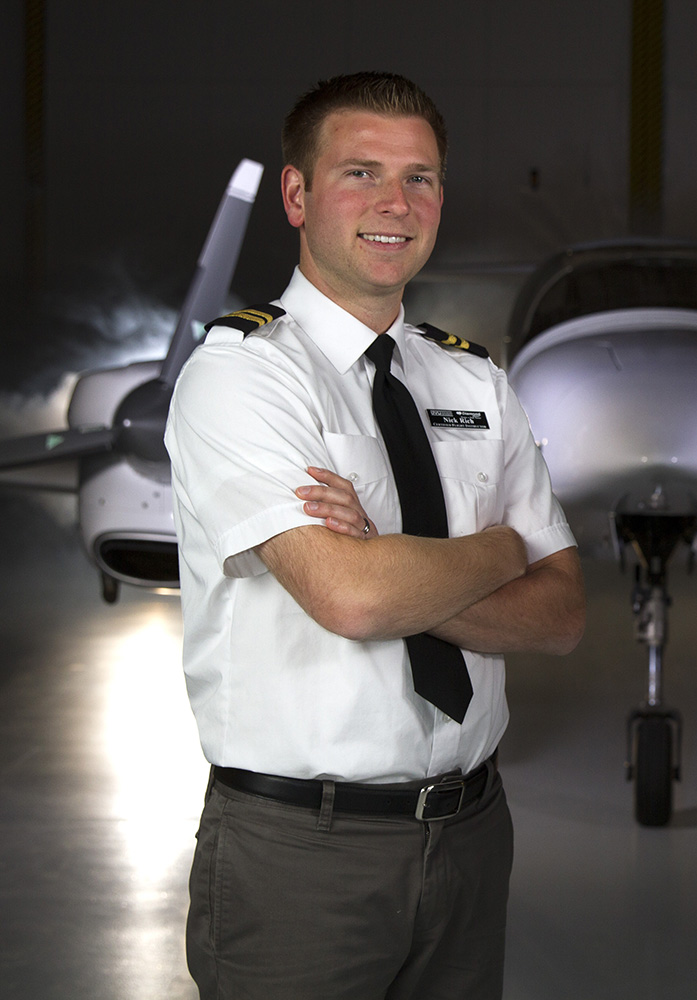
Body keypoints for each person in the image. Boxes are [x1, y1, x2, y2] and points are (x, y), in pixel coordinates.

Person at [164, 71, 585, 1000]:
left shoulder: (473, 382)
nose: (396, 204)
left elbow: (559, 617)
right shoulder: (243, 377)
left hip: (473, 834)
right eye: (360, 173)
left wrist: (395, 562)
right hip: (301, 854)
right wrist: (498, 550)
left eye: (421, 178)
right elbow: (351, 598)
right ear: (297, 194)